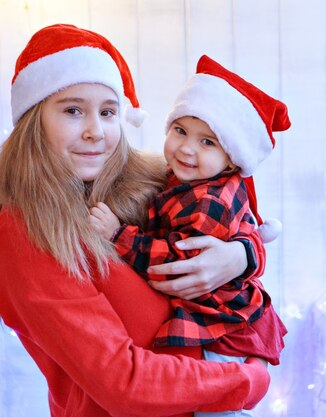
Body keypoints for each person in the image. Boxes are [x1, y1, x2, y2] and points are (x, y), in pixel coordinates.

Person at [0, 24, 270, 417]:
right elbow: (124, 382)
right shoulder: (25, 232)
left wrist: (241, 256)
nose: (96, 131)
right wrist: (248, 380)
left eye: (108, 112)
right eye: (73, 110)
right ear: (33, 120)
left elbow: (235, 216)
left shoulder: (152, 182)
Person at [89, 55, 289, 417]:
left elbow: (177, 263)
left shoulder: (207, 202)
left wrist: (119, 235)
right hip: (221, 320)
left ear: (231, 159)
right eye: (180, 131)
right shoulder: (189, 180)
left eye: (208, 142)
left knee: (216, 401)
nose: (186, 148)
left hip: (219, 329)